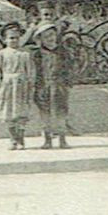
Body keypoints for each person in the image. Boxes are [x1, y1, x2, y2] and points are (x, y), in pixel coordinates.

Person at [30, 20, 74, 148]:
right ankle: (47, 139)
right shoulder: (37, 54)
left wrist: (67, 82)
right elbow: (35, 71)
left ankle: (62, 139)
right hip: (43, 86)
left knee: (61, 112)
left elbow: (69, 68)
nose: (50, 39)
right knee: (45, 113)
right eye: (46, 36)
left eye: (52, 35)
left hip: (59, 86)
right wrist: (35, 86)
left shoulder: (63, 52)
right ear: (40, 39)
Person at [0, 24, 36, 150]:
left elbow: (31, 70)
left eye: (16, 38)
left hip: (22, 85)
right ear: (5, 39)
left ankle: (21, 139)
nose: (14, 40)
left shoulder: (25, 54)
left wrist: (30, 83)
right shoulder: (2, 53)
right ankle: (13, 139)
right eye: (11, 38)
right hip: (8, 85)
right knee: (9, 113)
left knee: (21, 113)